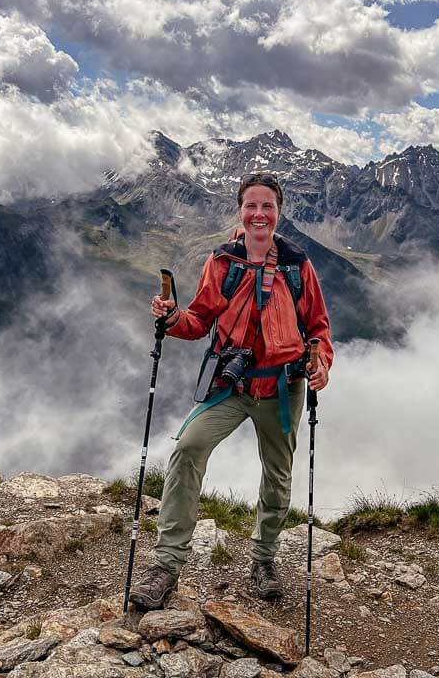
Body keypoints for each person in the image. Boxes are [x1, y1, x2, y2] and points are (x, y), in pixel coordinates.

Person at [128, 172, 333, 609]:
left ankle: (263, 560)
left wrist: (321, 365)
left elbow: (317, 328)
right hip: (233, 384)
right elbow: (199, 320)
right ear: (241, 211)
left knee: (277, 476)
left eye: (268, 207)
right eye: (251, 206)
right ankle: (165, 565)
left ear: (279, 212)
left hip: (283, 386)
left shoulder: (298, 266)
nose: (259, 214)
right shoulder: (222, 263)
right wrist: (170, 319)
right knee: (188, 448)